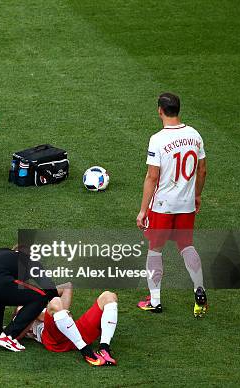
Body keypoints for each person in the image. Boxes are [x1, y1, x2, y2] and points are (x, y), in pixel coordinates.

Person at [136, 92, 208, 317]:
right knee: (187, 245)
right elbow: (202, 169)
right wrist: (196, 195)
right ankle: (199, 290)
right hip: (186, 205)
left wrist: (142, 210)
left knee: (155, 250)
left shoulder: (158, 139)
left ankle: (155, 301)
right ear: (178, 109)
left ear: (160, 110)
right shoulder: (195, 135)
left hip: (163, 206)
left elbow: (152, 177)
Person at [22, 284, 119, 367]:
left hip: (73, 330)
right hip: (55, 340)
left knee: (109, 296)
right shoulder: (22, 307)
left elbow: (67, 287)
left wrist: (40, 293)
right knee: (55, 301)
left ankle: (104, 348)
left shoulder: (38, 298)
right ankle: (86, 351)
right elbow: (36, 315)